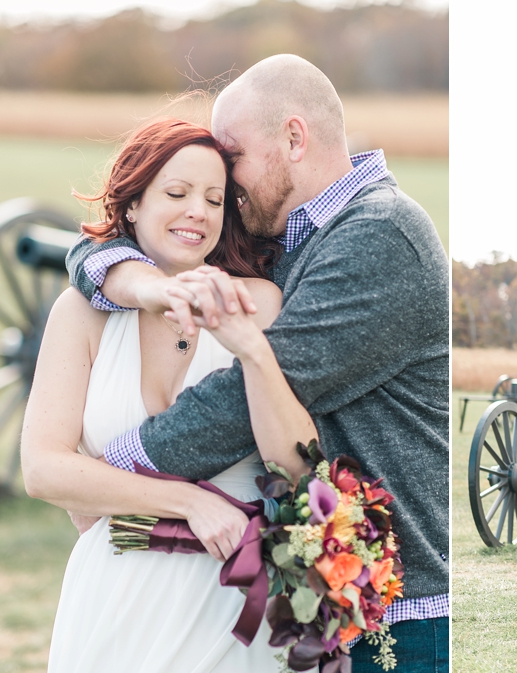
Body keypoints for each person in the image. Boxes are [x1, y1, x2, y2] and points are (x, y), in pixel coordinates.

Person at [65, 54, 450, 671]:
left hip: (402, 614)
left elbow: (246, 397)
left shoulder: (380, 235)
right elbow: (111, 239)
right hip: (327, 599)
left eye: (234, 157)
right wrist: (130, 278)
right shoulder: (296, 235)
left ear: (293, 138)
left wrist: (105, 482)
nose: (227, 181)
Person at [22, 118, 318, 671]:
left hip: (231, 600)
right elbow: (42, 469)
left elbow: (297, 465)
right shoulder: (81, 313)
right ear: (133, 203)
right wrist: (189, 501)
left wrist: (252, 351)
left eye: (214, 199)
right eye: (177, 193)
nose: (198, 212)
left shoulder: (261, 302)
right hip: (113, 594)